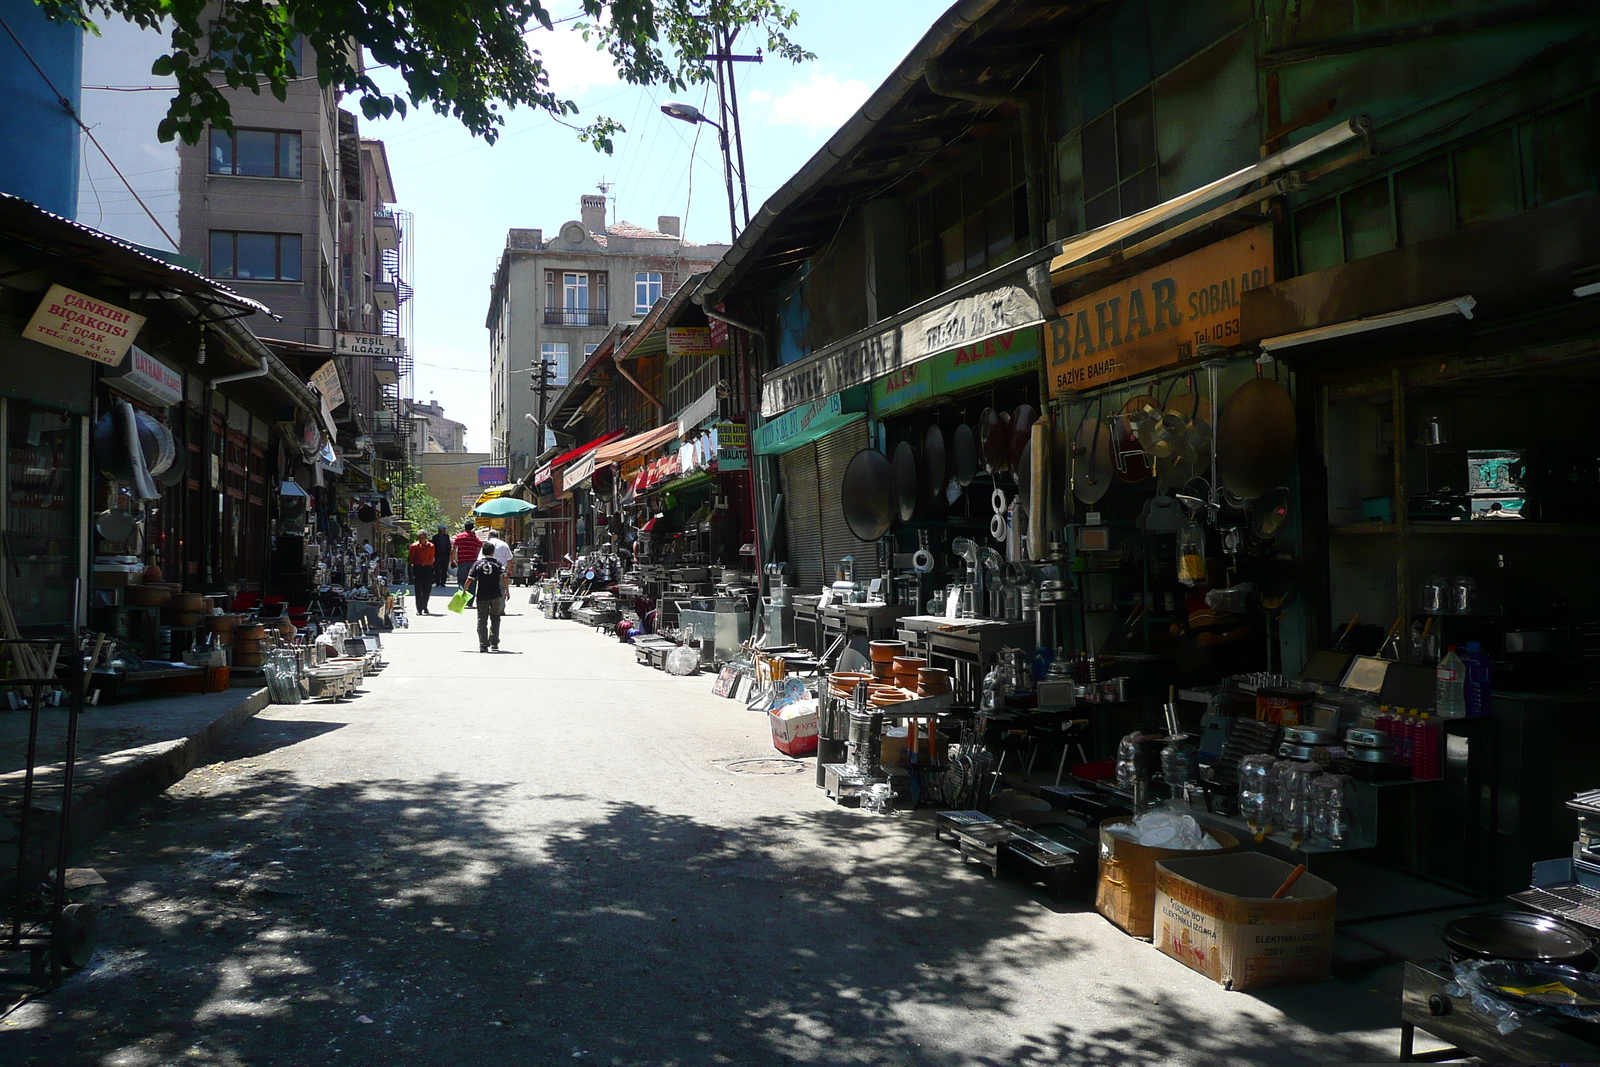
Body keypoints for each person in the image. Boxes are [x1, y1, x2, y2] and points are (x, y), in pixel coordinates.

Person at [465, 547, 506, 652]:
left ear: (483, 552)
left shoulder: (478, 564)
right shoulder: (498, 563)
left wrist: (465, 590)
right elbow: (504, 576)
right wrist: (507, 590)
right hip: (496, 595)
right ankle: (494, 642)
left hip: (482, 595)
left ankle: (483, 644)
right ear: (493, 552)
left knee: (482, 619)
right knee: (495, 618)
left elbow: (470, 578)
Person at [407, 531, 436, 614]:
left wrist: (429, 565)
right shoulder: (414, 546)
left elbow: (432, 557)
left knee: (427, 589)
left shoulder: (431, 546)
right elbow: (411, 557)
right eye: (419, 538)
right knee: (418, 588)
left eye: (422, 538)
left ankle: (425, 606)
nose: (421, 540)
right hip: (418, 568)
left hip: (427, 568)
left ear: (425, 538)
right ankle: (419, 609)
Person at [451, 519, 483, 589]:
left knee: (461, 581)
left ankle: (463, 596)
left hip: (462, 561)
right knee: (472, 580)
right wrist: (476, 556)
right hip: (473, 562)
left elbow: (454, 548)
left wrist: (452, 560)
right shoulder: (475, 538)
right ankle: (470, 598)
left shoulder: (459, 536)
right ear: (472, 528)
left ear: (464, 527)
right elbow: (480, 546)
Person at [431, 524, 453, 588]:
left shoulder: (446, 536)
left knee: (444, 569)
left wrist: (449, 553)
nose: (444, 530)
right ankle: (437, 582)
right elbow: (434, 546)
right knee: (437, 569)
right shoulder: (435, 537)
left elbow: (448, 545)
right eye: (443, 529)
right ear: (440, 530)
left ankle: (443, 582)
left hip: (445, 554)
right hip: (438, 555)